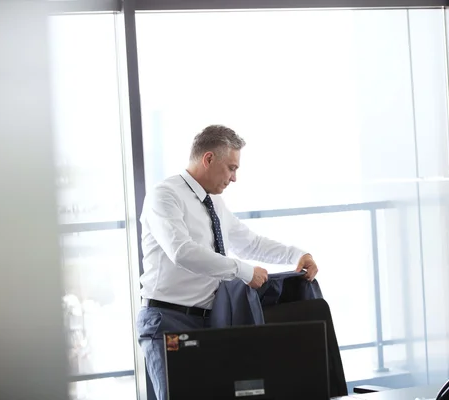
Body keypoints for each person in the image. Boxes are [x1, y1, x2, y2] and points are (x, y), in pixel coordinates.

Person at [136, 124, 319, 400]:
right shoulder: (165, 196)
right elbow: (182, 251)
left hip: (211, 323)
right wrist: (242, 271)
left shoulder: (214, 203)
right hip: (167, 322)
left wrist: (296, 254)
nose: (234, 178)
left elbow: (249, 242)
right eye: (231, 168)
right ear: (208, 159)